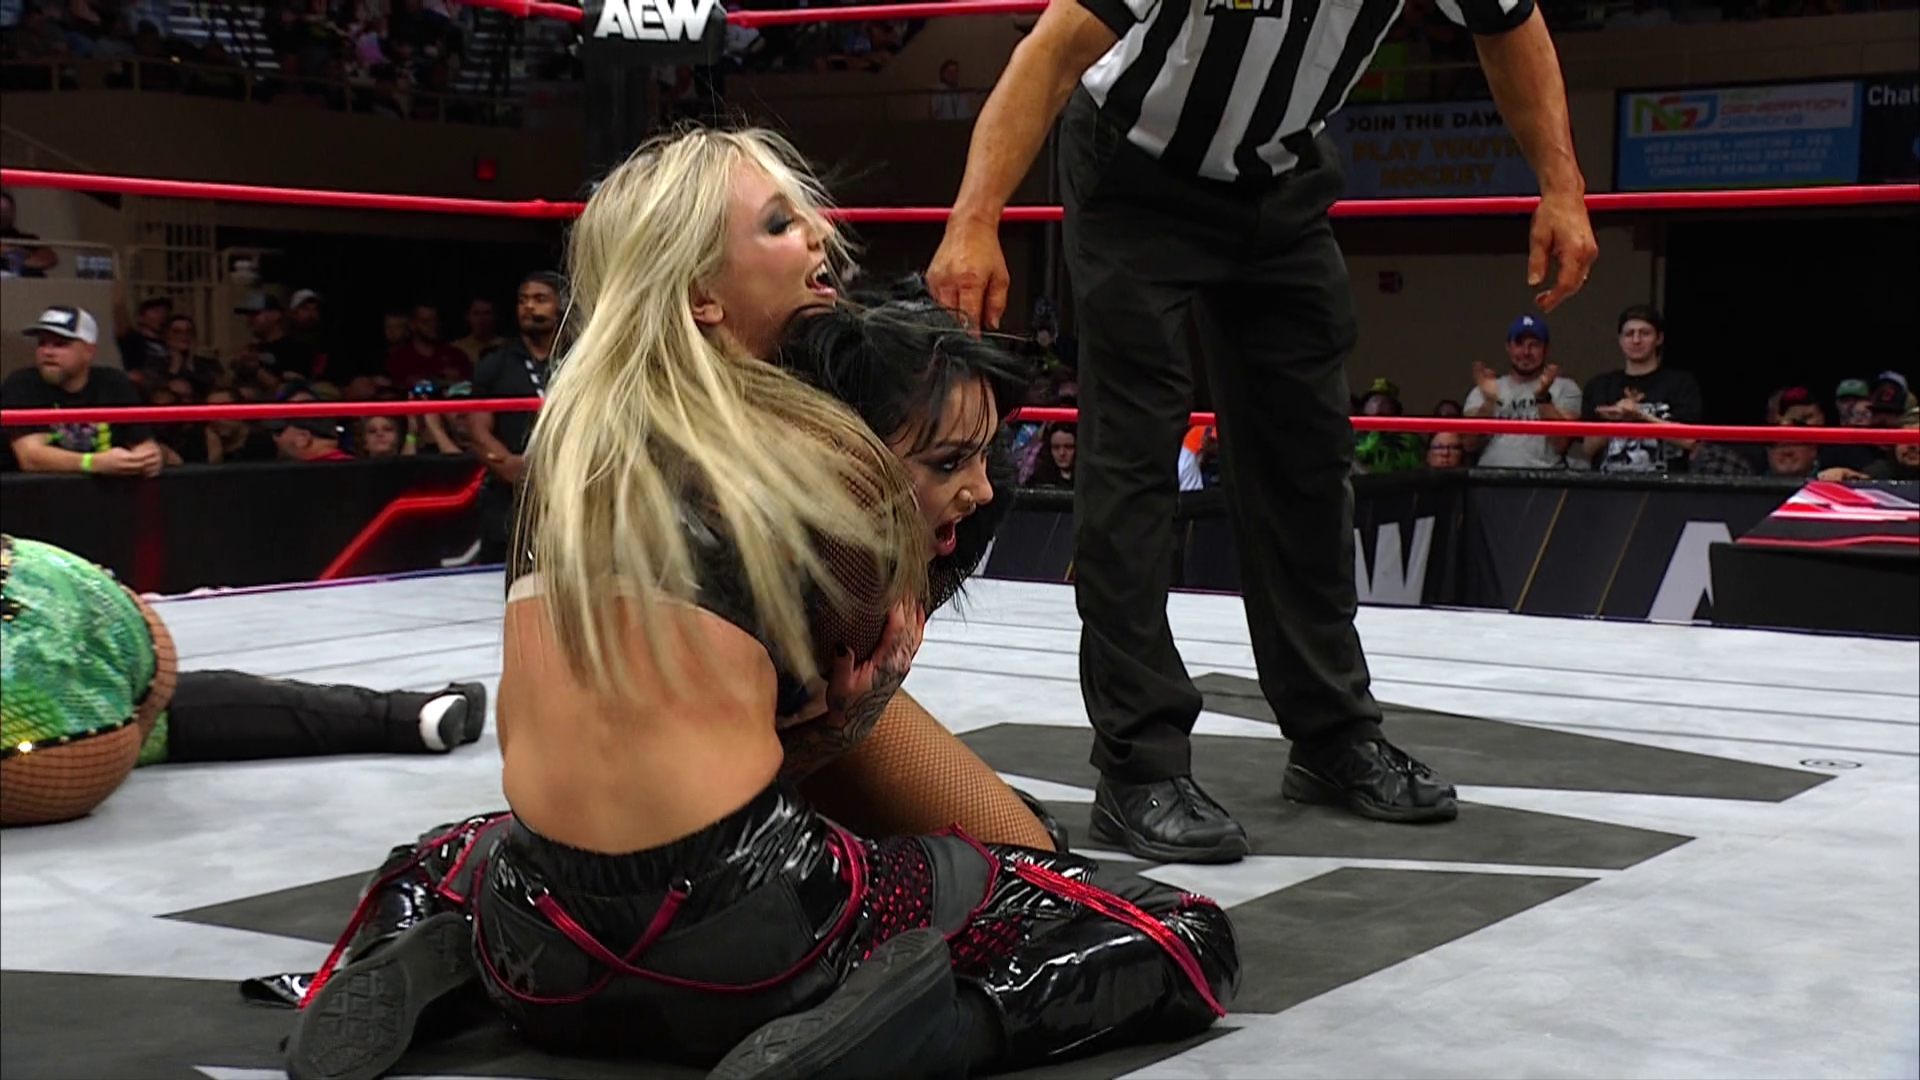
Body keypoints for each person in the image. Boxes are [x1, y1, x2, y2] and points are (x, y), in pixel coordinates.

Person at [276, 128, 1236, 1080]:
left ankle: (407, 943)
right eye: (779, 223)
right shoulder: (816, 459)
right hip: (749, 929)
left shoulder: (569, 447)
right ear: (700, 292)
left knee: (460, 850)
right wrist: (855, 697)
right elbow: (814, 709)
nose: (819, 233)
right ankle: (930, 1029)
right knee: (1171, 928)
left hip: (538, 940)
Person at [926, 0, 1598, 861]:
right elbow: (1052, 52)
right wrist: (975, 218)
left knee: (1307, 458)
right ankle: (1138, 765)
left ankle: (1332, 736)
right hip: (1135, 168)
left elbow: (1509, 22)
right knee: (1134, 459)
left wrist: (1562, 187)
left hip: (1280, 179)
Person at [0, 534, 488, 828]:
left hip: (50, 736)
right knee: (170, 703)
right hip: (54, 730)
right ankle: (404, 717)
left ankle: (409, 717)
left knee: (179, 706)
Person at [468, 272, 567, 566]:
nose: (529, 307)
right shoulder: (495, 364)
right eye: (523, 300)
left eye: (540, 299)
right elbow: (477, 430)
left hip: (568, 491)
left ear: (560, 306)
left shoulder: (579, 359)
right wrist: (511, 466)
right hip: (508, 498)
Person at [2, 306, 163, 478]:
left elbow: (142, 442)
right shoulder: (22, 384)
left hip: (108, 492)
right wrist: (92, 462)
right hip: (37, 491)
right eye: (42, 343)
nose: (47, 352)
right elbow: (30, 457)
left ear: (89, 351)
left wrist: (147, 458)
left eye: (60, 344)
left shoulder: (114, 382)